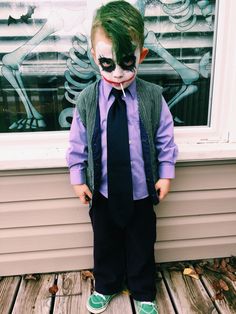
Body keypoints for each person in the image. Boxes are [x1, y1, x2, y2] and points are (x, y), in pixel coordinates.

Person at [66, 1, 178, 313]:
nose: (118, 73)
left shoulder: (152, 97)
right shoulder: (88, 100)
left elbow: (164, 137)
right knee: (105, 243)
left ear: (141, 55)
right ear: (94, 57)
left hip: (141, 193)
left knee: (142, 243)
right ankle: (106, 283)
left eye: (127, 63)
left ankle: (143, 291)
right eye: (107, 63)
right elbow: (77, 144)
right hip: (102, 192)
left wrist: (165, 172)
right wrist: (78, 178)